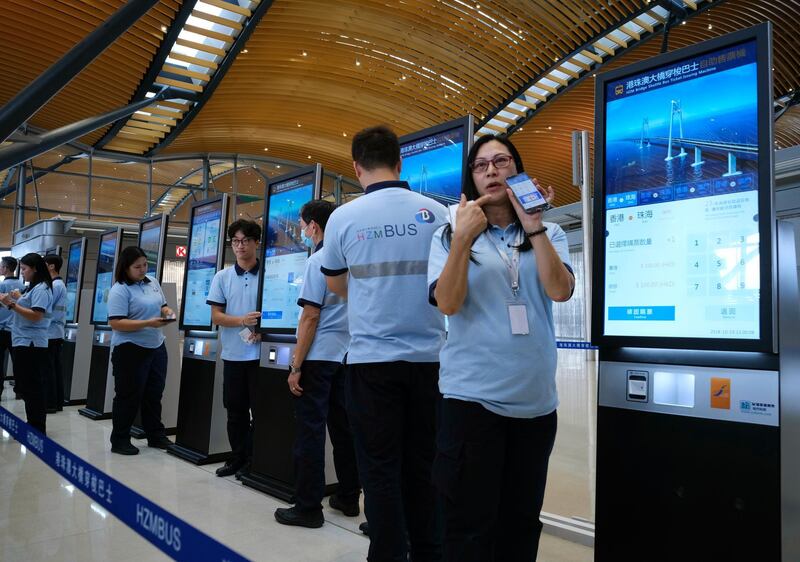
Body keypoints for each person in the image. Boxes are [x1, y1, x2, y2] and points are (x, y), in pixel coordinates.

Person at [427, 134, 574, 562]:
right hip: (472, 401)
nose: (492, 170)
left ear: (517, 169)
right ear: (470, 180)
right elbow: (448, 303)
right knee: (468, 527)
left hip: (536, 405)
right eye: (481, 165)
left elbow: (560, 291)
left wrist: (535, 227)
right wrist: (461, 240)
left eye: (502, 161)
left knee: (521, 524)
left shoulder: (551, 230)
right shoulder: (446, 236)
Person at [321, 125, 448, 561]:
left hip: (370, 363)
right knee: (424, 469)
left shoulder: (343, 217)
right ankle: (428, 552)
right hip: (431, 362)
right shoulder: (437, 212)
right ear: (400, 161)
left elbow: (336, 284)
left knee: (378, 472)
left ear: (357, 167)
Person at [275, 200, 361, 529]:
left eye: (302, 224)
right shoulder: (352, 257)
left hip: (319, 357)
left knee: (310, 432)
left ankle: (308, 506)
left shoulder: (319, 260)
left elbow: (310, 315)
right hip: (349, 356)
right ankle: (349, 497)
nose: (301, 230)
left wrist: (296, 365)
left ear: (314, 226)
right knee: (345, 430)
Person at [207, 219, 262, 478]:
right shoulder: (223, 277)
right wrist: (241, 321)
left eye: (245, 241)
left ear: (256, 243)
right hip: (233, 355)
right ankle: (237, 459)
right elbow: (216, 317)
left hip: (263, 357)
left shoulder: (269, 273)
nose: (240, 246)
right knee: (235, 411)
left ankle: (255, 460)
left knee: (262, 411)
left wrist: (264, 330)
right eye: (235, 241)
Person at [107, 246, 175, 455]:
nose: (143, 269)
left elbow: (162, 305)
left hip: (156, 346)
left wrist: (167, 311)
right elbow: (116, 323)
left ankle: (156, 435)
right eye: (137, 267)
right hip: (130, 349)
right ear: (126, 268)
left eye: (145, 264)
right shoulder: (119, 289)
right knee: (128, 396)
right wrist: (147, 323)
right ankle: (120, 439)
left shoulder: (152, 282)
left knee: (154, 393)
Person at [0, 253, 54, 434]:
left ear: (35, 269)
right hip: (22, 340)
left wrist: (12, 305)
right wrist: (15, 298)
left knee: (32, 387)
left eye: (24, 269)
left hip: (32, 343)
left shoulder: (42, 289)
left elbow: (36, 315)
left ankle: (37, 428)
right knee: (26, 385)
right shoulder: (33, 288)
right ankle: (33, 424)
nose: (21, 272)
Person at [44, 255, 67, 413]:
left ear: (51, 266)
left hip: (51, 332)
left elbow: (45, 308)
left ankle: (50, 403)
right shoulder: (58, 284)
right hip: (54, 332)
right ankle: (56, 402)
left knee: (49, 370)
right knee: (54, 369)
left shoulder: (55, 285)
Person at [0, 256, 24, 400]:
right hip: (17, 329)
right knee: (18, 362)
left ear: (6, 268)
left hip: (2, 329)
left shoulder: (2, 286)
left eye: (1, 266)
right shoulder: (22, 285)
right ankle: (20, 391)